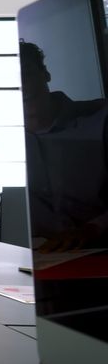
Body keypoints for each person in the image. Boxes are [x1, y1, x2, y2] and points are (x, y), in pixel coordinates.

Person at [20, 39, 108, 252]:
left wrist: (93, 228)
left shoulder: (100, 120)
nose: (21, 85)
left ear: (45, 74)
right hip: (42, 255)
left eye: (27, 73)